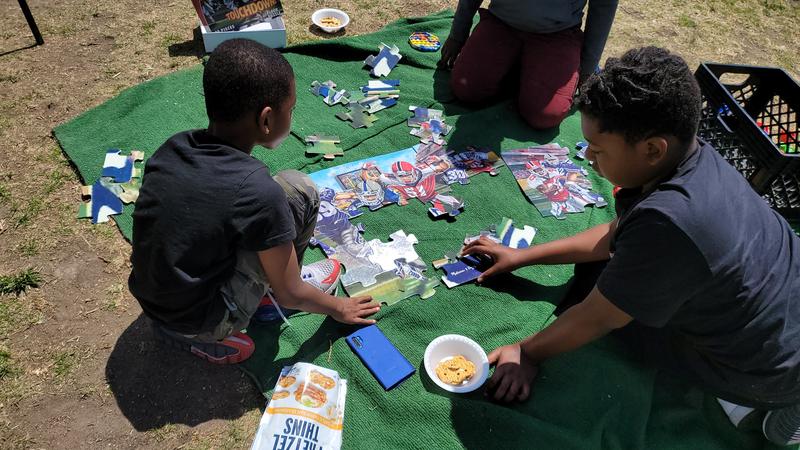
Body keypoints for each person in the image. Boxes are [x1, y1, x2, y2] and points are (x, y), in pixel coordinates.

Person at [462, 46, 800, 446]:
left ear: (653, 149)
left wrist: (528, 352)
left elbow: (599, 317)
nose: (587, 156)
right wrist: (523, 256)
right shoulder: (694, 156)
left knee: (617, 315)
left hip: (771, 371)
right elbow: (618, 233)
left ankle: (753, 407)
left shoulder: (673, 221)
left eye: (598, 149)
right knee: (600, 273)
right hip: (782, 315)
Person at [128, 39, 380, 365]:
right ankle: (227, 324)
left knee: (277, 201)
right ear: (266, 120)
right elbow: (292, 292)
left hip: (152, 296)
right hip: (201, 319)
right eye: (290, 110)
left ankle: (197, 320)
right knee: (299, 189)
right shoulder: (261, 194)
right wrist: (340, 308)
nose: (292, 116)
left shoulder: (173, 147)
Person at [438, 0, 618, 129]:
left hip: (557, 34)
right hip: (501, 23)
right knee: (467, 88)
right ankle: (521, 68)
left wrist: (587, 68)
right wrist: (457, 34)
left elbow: (604, 5)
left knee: (546, 115)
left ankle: (527, 72)